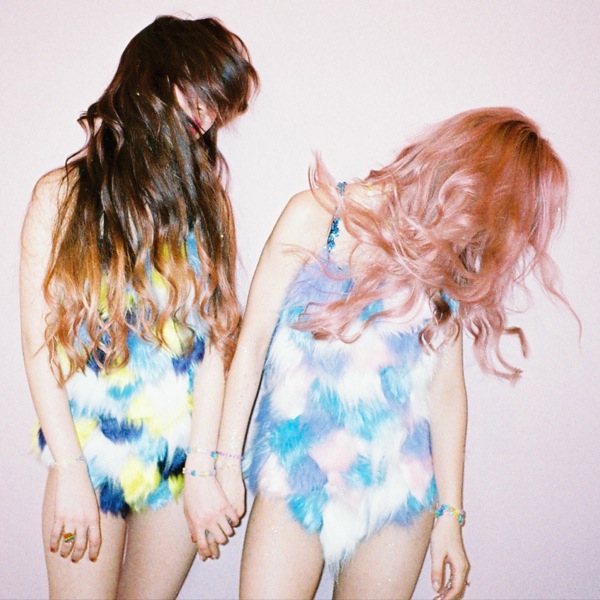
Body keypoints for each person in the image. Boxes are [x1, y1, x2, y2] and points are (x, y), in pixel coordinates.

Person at [214, 107, 570, 599]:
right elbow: (251, 343)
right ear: (468, 179)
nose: (500, 235)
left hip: (398, 491)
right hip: (296, 472)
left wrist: (450, 518)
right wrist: (223, 462)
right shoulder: (316, 216)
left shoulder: (447, 264)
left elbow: (446, 394)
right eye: (505, 214)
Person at [20, 15, 258, 599]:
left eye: (217, 105)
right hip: (89, 453)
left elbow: (215, 351)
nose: (207, 114)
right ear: (151, 76)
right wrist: (68, 469)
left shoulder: (209, 207)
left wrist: (201, 469)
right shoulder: (60, 196)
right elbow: (38, 346)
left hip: (179, 459)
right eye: (198, 90)